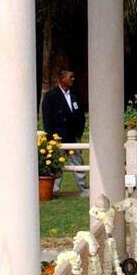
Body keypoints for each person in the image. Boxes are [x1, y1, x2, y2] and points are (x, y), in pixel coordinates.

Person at [41, 63, 87, 193]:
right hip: (58, 137)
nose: (73, 79)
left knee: (78, 163)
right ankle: (54, 191)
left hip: (73, 137)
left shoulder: (75, 94)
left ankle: (83, 188)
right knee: (57, 164)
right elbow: (47, 119)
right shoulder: (51, 96)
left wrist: (79, 133)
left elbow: (81, 115)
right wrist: (51, 137)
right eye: (70, 77)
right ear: (62, 79)